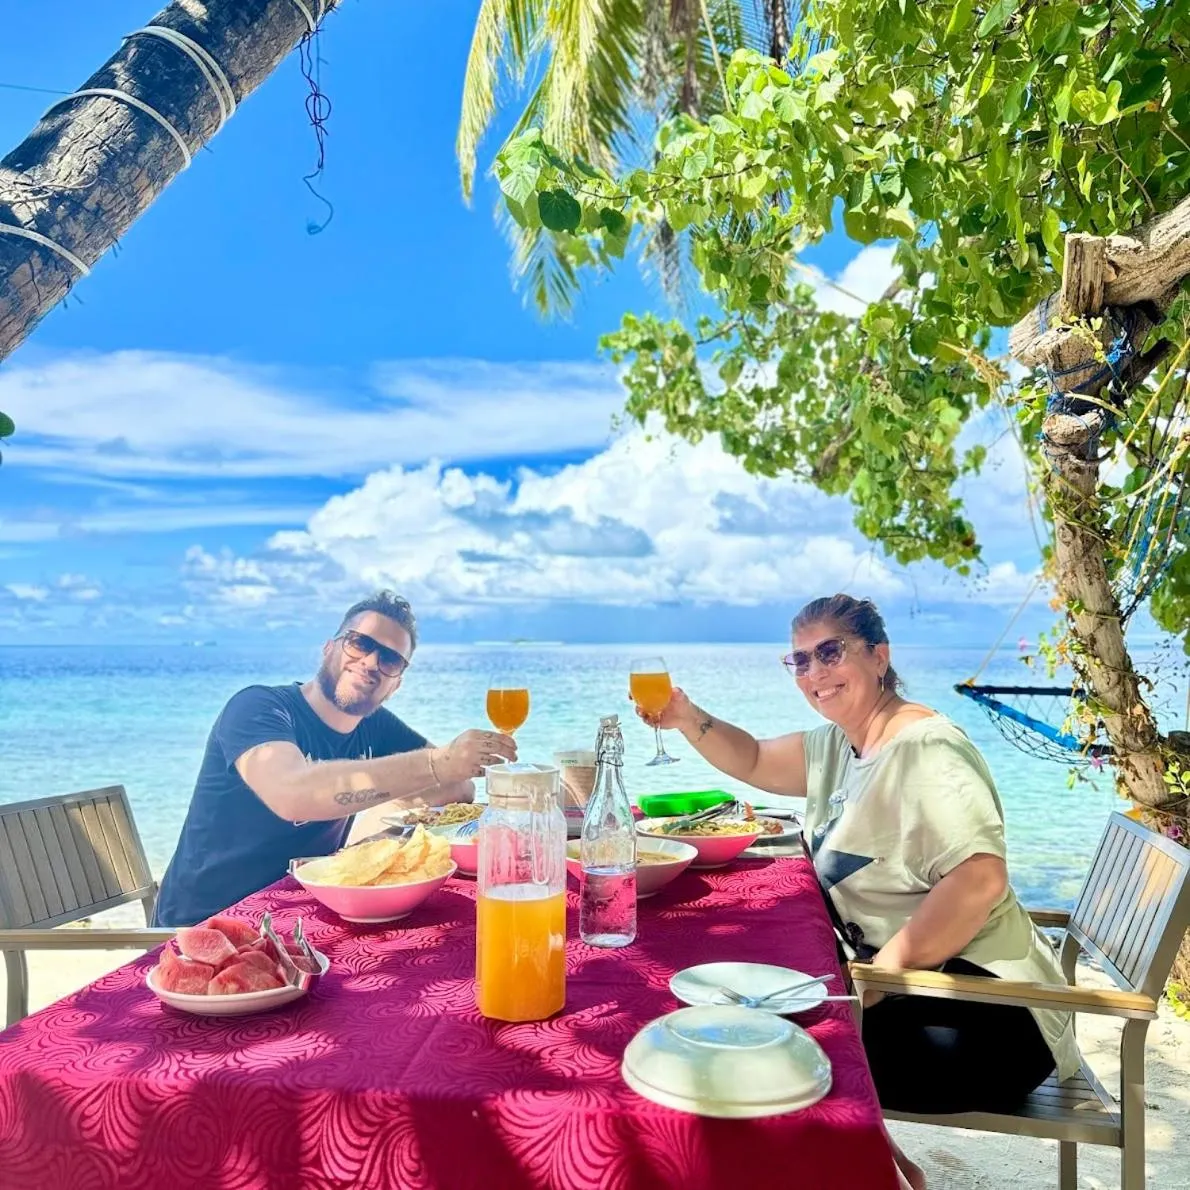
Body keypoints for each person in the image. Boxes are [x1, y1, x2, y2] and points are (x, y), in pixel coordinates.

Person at [638, 593, 1079, 1190]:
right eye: (800, 660)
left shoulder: (927, 748)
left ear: (878, 656)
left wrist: (870, 982)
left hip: (994, 1016)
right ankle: (888, 1168)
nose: (815, 672)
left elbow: (978, 880)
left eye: (830, 652)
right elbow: (754, 758)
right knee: (743, 1015)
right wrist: (687, 717)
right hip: (917, 989)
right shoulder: (838, 745)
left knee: (761, 1055)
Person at [153, 590, 516, 927]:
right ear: (329, 648)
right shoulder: (258, 708)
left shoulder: (374, 726)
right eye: (360, 643)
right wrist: (437, 764)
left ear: (396, 685)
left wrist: (411, 788)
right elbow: (292, 794)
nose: (371, 662)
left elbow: (458, 788)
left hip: (301, 915)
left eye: (390, 658)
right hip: (206, 922)